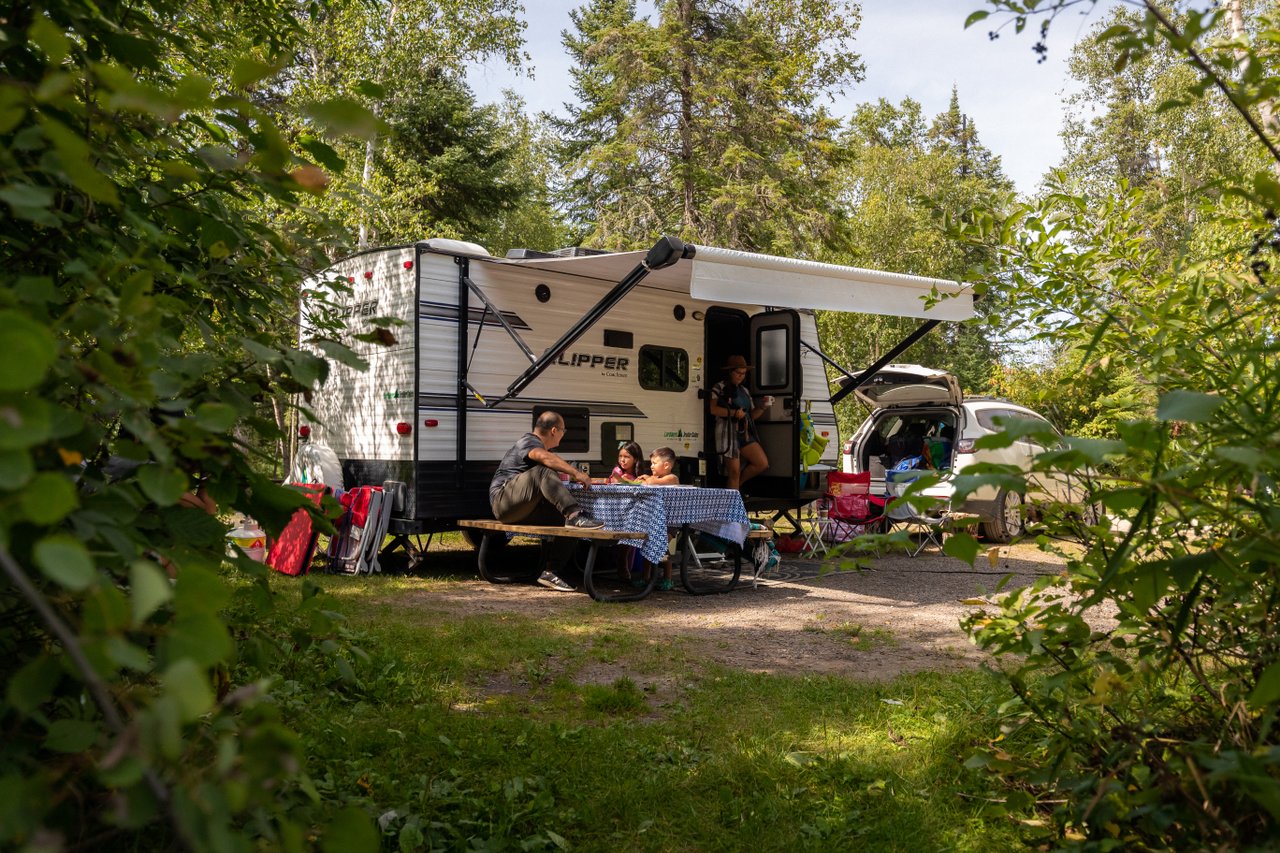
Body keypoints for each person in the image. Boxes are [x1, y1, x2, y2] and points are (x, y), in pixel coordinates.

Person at [489, 411, 604, 592]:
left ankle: (551, 572)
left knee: (566, 522)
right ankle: (575, 514)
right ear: (553, 430)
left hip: (521, 508)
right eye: (563, 431)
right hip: (503, 502)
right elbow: (543, 459)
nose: (562, 436)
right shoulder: (528, 441)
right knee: (544, 471)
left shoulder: (542, 449)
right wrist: (577, 473)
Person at [709, 355, 770, 490]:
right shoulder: (719, 387)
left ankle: (737, 486)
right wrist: (734, 413)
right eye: (738, 373)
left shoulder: (745, 391)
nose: (741, 376)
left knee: (762, 463)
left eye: (744, 373)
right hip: (727, 432)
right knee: (734, 472)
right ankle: (731, 504)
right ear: (730, 372)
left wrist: (763, 407)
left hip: (744, 432)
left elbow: (751, 415)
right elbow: (713, 409)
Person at [636, 447, 681, 590]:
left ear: (666, 465)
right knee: (647, 545)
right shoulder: (655, 478)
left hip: (669, 522)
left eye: (654, 463)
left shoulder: (672, 478)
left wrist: (647, 479)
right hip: (654, 520)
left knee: (662, 546)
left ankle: (668, 578)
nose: (651, 466)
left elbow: (653, 483)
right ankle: (646, 576)